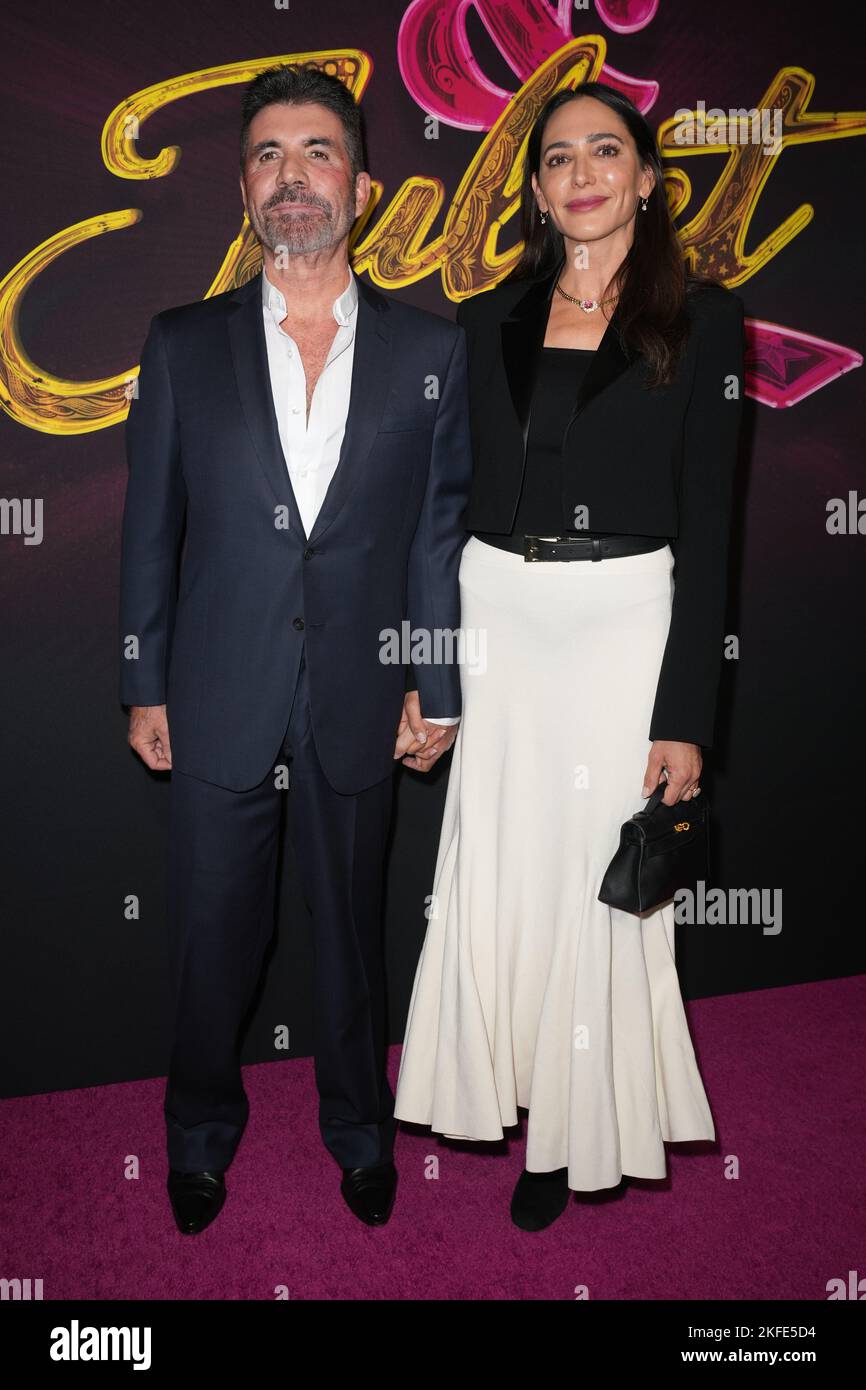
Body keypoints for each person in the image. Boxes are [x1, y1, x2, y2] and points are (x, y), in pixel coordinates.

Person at [118, 63, 470, 1234]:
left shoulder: (433, 348)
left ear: (361, 185)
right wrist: (142, 679)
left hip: (365, 695)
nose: (292, 176)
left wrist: (442, 680)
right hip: (219, 692)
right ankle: (198, 1138)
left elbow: (435, 536)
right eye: (268, 154)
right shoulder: (180, 346)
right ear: (244, 187)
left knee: (351, 938)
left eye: (316, 151)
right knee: (211, 940)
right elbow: (150, 531)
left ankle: (360, 1134)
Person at [393, 82, 745, 1230]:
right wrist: (433, 671)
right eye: (557, 158)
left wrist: (684, 713)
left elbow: (712, 523)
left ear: (645, 177)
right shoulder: (489, 316)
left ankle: (574, 1130)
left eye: (605, 151)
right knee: (502, 868)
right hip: (496, 610)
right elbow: (442, 514)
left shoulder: (702, 318)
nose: (581, 171)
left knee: (593, 884)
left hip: (620, 621)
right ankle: (502, 1091)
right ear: (536, 188)